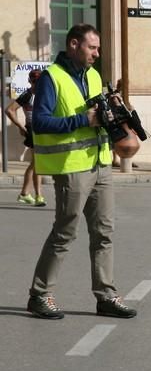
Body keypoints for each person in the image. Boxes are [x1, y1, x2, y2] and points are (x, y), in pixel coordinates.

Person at [26, 23, 137, 320]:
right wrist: (81, 120)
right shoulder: (52, 78)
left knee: (104, 233)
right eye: (92, 47)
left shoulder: (94, 75)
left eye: (98, 48)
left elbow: (98, 116)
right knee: (64, 233)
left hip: (100, 164)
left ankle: (106, 296)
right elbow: (40, 122)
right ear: (74, 45)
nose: (96, 54)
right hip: (72, 168)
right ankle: (39, 295)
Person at [5, 69, 46, 206]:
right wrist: (20, 126)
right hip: (33, 130)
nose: (36, 84)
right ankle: (38, 195)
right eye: (34, 81)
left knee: (35, 163)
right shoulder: (27, 95)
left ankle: (25, 193)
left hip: (41, 130)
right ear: (30, 81)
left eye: (38, 81)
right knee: (37, 163)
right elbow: (9, 110)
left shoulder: (44, 94)